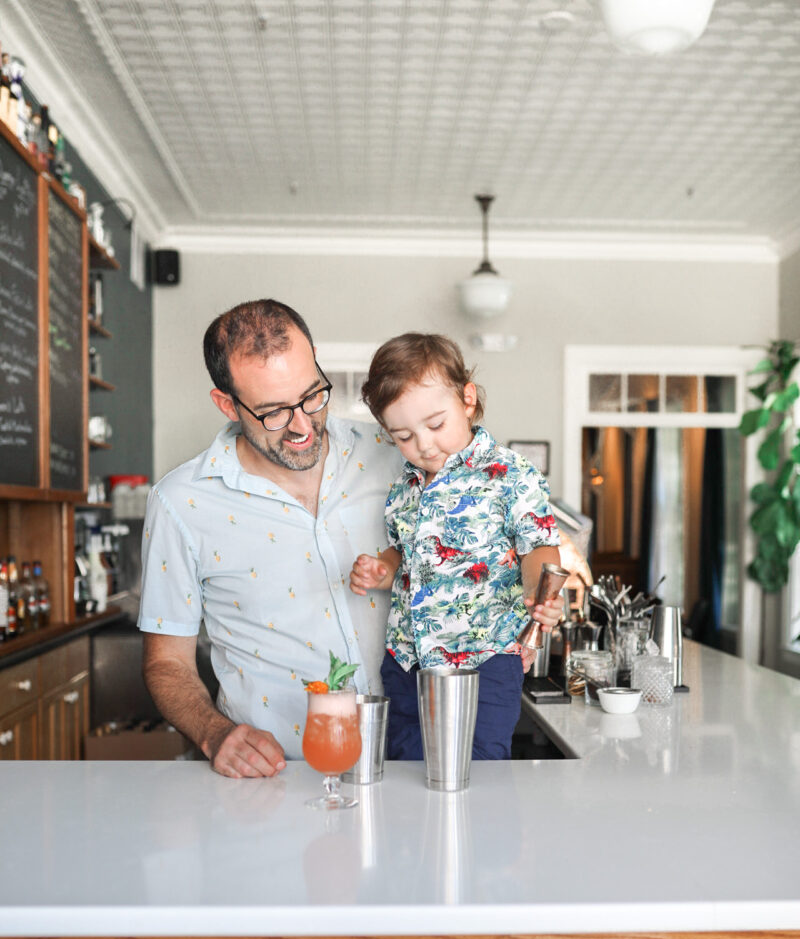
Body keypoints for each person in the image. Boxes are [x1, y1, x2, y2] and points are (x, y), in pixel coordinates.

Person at [138, 299, 402, 778]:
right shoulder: (179, 503)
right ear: (227, 404)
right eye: (274, 412)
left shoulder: (393, 454)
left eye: (312, 395)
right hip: (275, 782)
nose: (303, 425)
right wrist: (212, 731)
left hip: (411, 766)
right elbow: (167, 662)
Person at [350, 332, 561, 760]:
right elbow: (401, 551)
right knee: (408, 772)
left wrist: (538, 587)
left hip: (485, 658)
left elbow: (539, 547)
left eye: (435, 424)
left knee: (478, 770)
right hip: (407, 659)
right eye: (404, 436)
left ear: (467, 400)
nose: (424, 445)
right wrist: (381, 569)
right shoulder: (405, 485)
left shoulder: (509, 472)